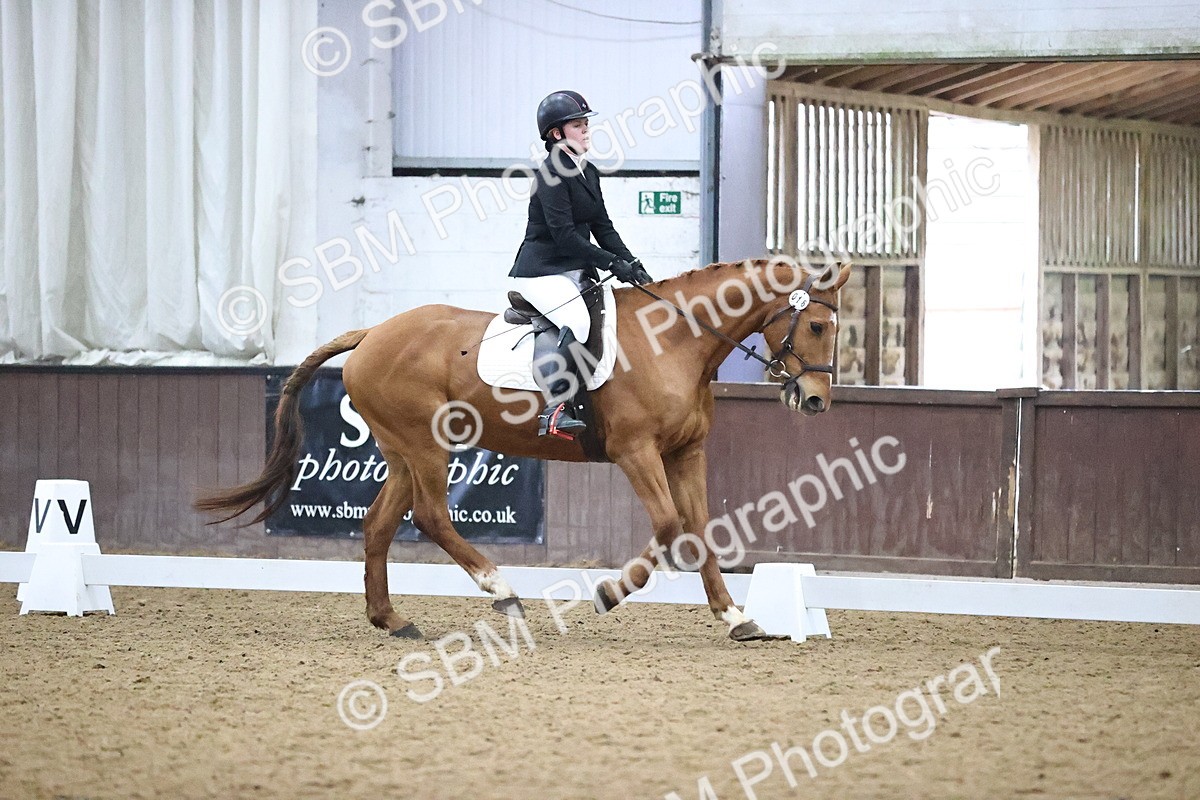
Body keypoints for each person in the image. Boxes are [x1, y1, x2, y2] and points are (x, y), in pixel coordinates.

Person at [509, 90, 651, 437]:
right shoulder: (550, 174)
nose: (586, 130)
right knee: (577, 320)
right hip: (542, 270)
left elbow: (603, 227)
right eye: (578, 125)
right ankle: (555, 407)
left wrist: (632, 264)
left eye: (587, 123)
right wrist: (611, 263)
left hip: (573, 271)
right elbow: (565, 237)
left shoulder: (588, 172)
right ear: (557, 134)